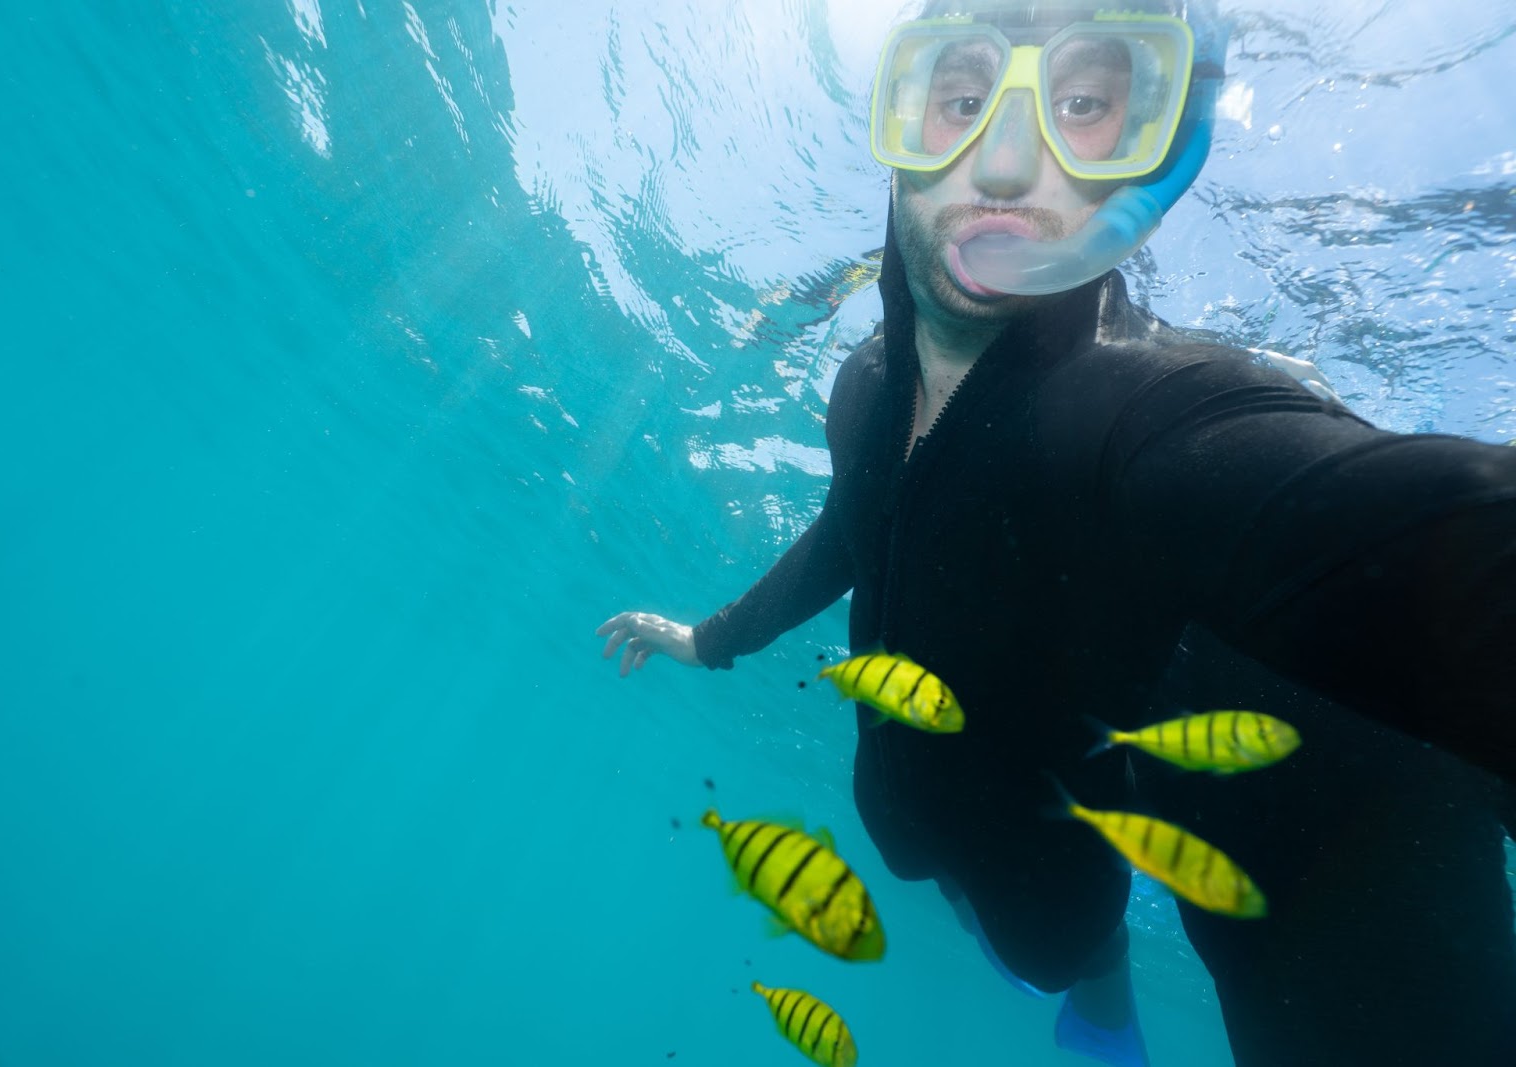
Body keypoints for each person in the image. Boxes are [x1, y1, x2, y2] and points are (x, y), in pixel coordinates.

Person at [598, 1, 1516, 1063]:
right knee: (929, 864)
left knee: (1063, 940)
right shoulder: (860, 391)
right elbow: (850, 532)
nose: (1001, 161)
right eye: (960, 97)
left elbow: (1407, 533)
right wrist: (707, 638)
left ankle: (1105, 981)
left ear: (1149, 165)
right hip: (917, 819)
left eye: (1083, 104)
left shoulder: (1144, 419)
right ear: (898, 128)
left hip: (1060, 863)